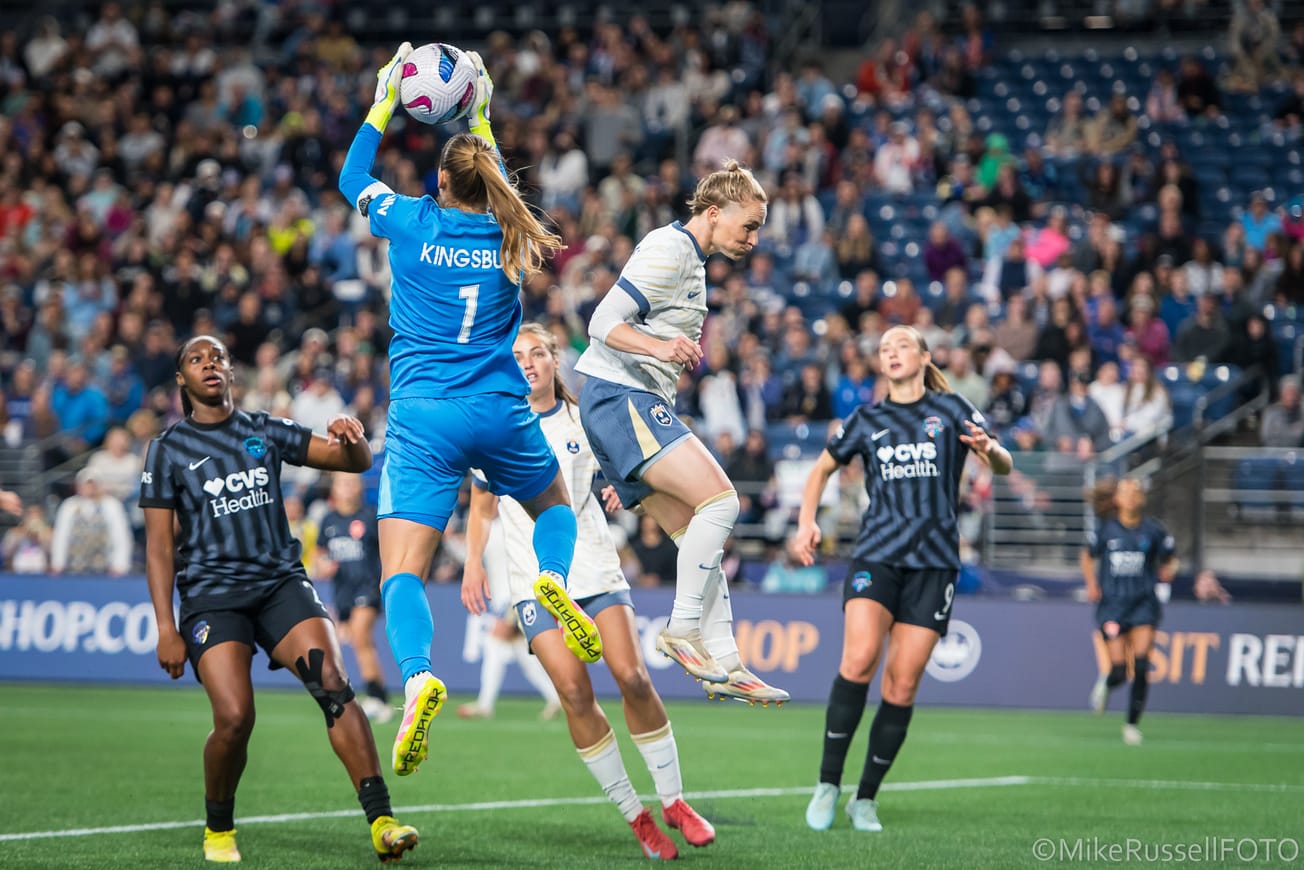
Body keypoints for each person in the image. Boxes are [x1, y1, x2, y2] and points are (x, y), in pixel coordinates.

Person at [337, 44, 594, 778]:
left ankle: (418, 677)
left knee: (401, 573)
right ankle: (552, 578)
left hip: (424, 416)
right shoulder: (510, 232)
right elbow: (493, 178)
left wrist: (385, 100)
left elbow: (352, 177)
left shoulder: (411, 221)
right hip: (500, 408)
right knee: (553, 508)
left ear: (440, 182)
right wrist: (479, 109)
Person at [140, 336, 418, 863]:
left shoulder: (262, 429)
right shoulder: (168, 449)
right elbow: (158, 548)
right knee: (235, 718)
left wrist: (353, 438)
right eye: (197, 359)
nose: (210, 364)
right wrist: (166, 627)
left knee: (334, 684)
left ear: (231, 371)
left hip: (279, 585)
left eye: (218, 357)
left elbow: (353, 462)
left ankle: (382, 821)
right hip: (212, 598)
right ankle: (218, 827)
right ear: (181, 379)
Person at [463, 324, 715, 859]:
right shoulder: (496, 428)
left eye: (537, 353)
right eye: (518, 355)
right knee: (575, 695)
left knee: (633, 677)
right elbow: (482, 506)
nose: (528, 362)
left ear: (555, 362)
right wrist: (471, 567)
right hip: (533, 580)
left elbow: (636, 470)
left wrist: (624, 489)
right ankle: (638, 818)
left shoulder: (585, 419)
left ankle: (674, 801)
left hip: (595, 567)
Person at [573, 155, 788, 705]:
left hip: (624, 406)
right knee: (722, 502)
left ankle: (728, 661)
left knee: (696, 533)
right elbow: (600, 322)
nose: (754, 240)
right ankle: (683, 627)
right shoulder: (669, 249)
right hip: (621, 397)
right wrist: (660, 346)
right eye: (749, 226)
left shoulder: (692, 259)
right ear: (714, 212)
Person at [790, 324, 1013, 833]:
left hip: (934, 564)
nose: (891, 353)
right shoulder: (866, 419)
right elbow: (819, 471)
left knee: (903, 682)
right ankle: (827, 783)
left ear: (925, 356)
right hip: (877, 556)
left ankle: (865, 798)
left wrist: (991, 449)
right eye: (884, 348)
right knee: (859, 659)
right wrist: (806, 522)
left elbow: (1003, 463)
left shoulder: (952, 410)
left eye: (902, 345)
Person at [1082, 478, 1177, 746]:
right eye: (1126, 492)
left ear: (1142, 499)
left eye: (1136, 492)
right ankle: (1107, 684)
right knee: (1120, 671)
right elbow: (1087, 556)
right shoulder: (1106, 530)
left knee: (1142, 664)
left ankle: (1131, 725)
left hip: (1143, 604)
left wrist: (1170, 570)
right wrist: (1091, 583)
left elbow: (1171, 558)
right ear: (1117, 499)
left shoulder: (1153, 530)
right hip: (1113, 605)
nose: (1131, 497)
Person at [457, 491, 562, 721]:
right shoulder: (496, 527)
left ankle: (485, 704)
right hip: (508, 599)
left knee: (493, 643)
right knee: (523, 654)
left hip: (514, 598)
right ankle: (555, 696)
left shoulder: (504, 527)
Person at [316, 472, 391, 724]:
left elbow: (386, 549)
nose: (347, 488)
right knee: (357, 643)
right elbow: (320, 552)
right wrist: (322, 565)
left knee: (360, 636)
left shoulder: (370, 516)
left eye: (352, 483)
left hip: (367, 587)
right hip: (342, 592)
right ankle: (379, 696)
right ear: (334, 489)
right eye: (342, 483)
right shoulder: (328, 520)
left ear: (359, 487)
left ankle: (376, 697)